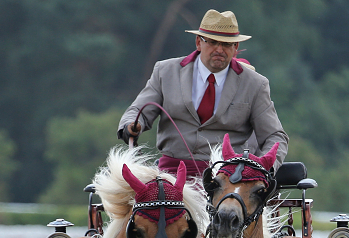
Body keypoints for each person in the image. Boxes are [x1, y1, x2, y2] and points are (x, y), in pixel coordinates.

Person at [118, 9, 289, 176]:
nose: (220, 50)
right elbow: (137, 111)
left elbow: (275, 136)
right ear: (199, 42)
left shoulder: (255, 84)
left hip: (228, 179)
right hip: (171, 174)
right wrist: (132, 125)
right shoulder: (165, 71)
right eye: (213, 42)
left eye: (226, 44)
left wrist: (263, 168)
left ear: (236, 47)